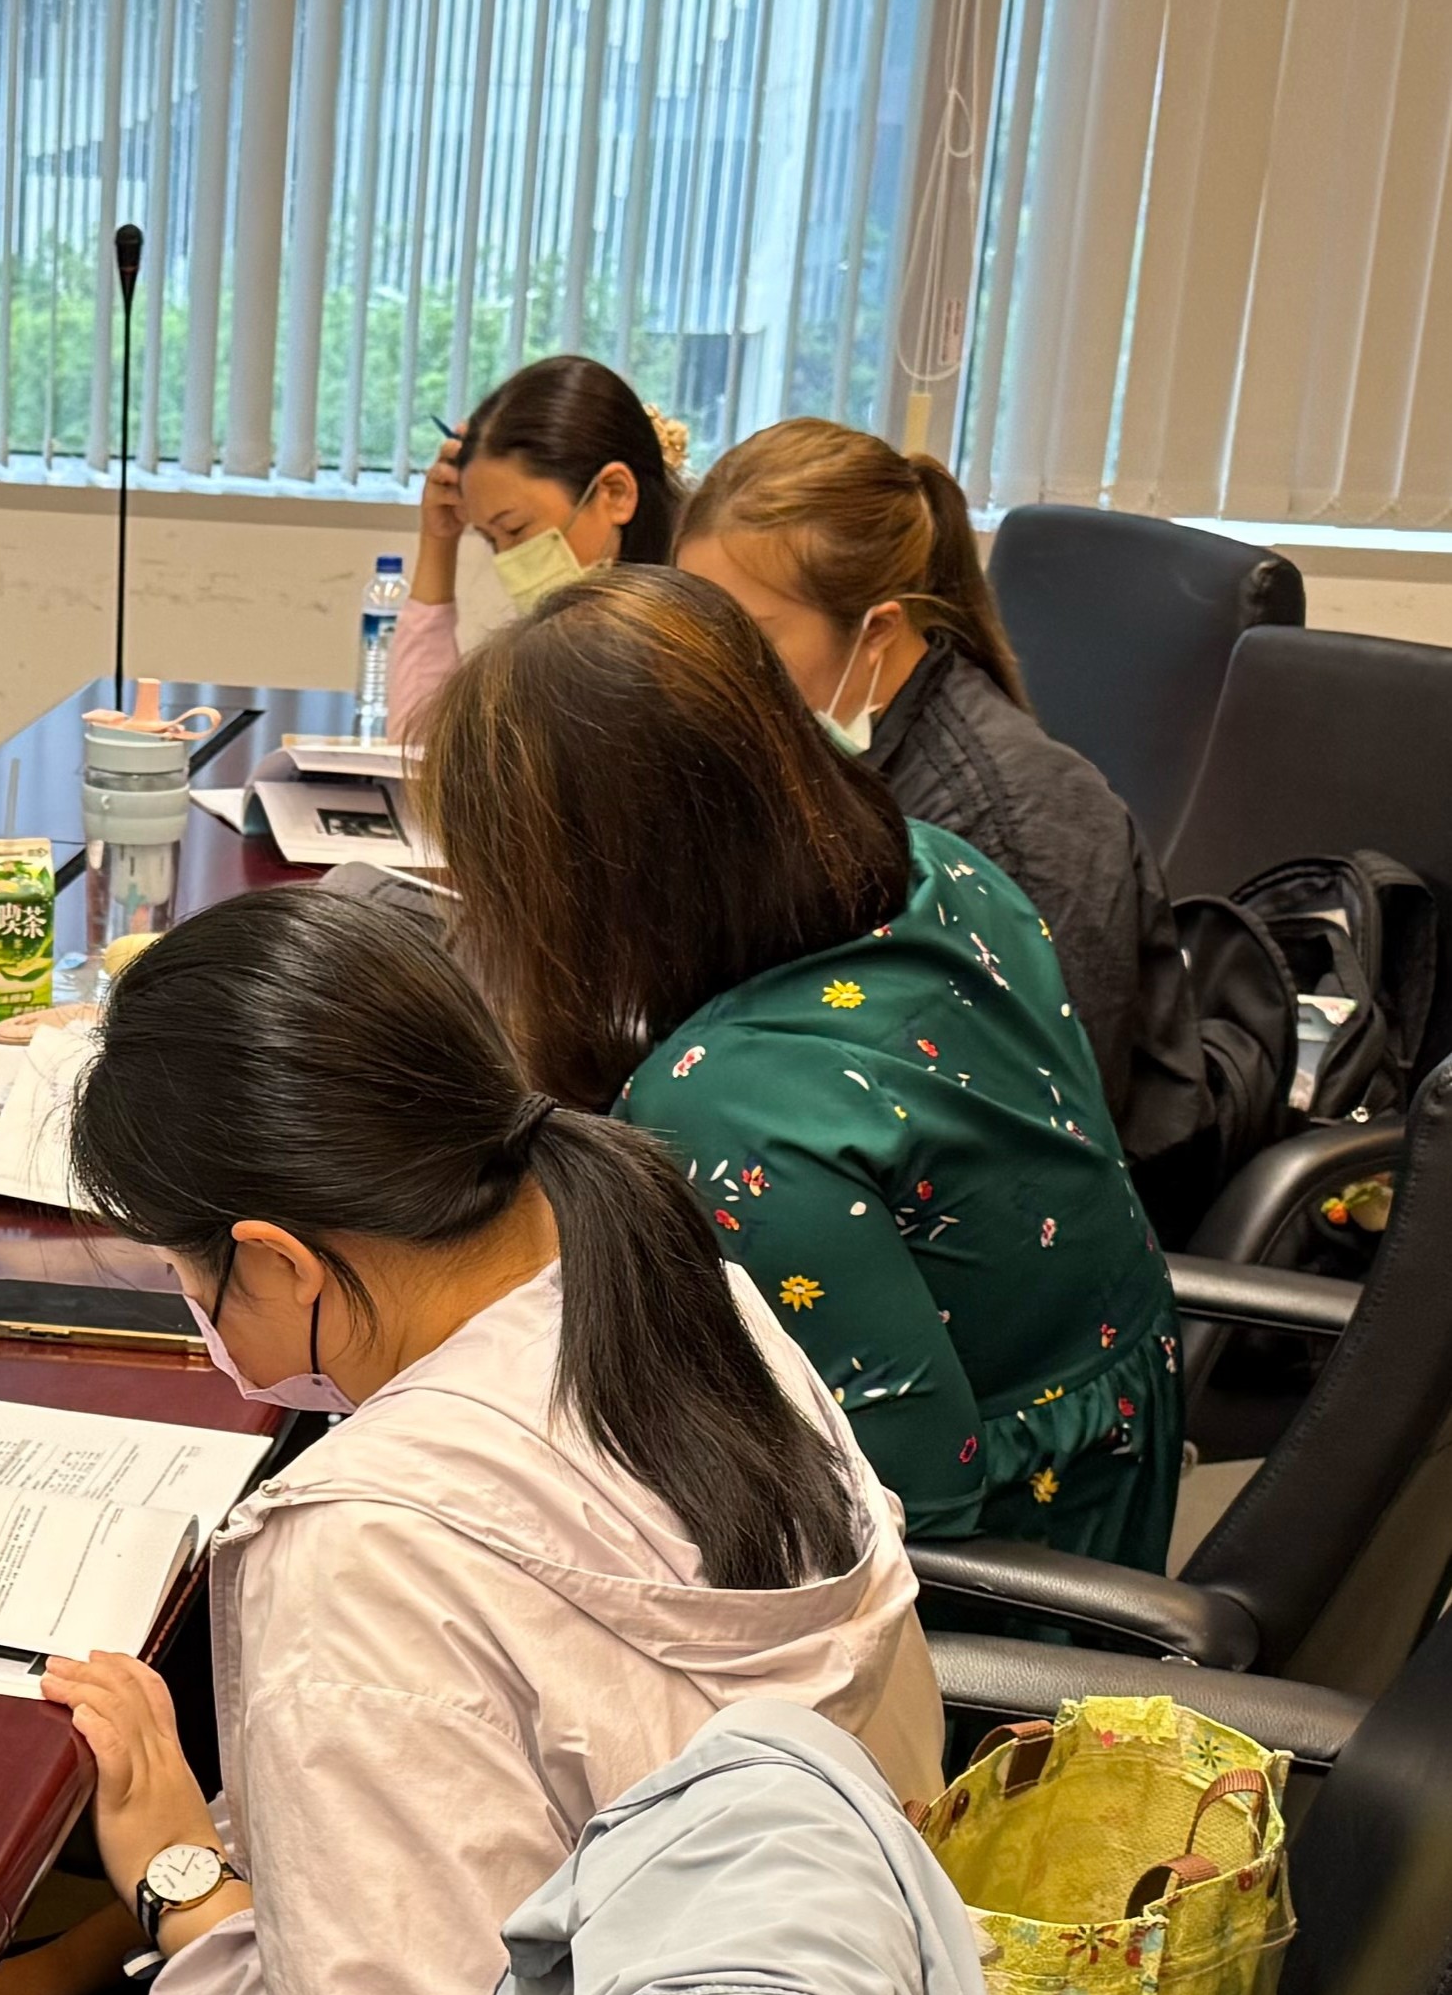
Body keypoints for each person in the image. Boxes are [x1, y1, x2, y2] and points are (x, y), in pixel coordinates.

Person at [29, 888, 940, 1995]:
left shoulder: (363, 1546)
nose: (195, 1311)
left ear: (275, 1259)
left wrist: (179, 1880)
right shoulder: (677, 1282)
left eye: (184, 1272)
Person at [426, 568, 1183, 1571]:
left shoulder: (727, 1106)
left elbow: (895, 1509)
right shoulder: (940, 865)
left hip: (996, 1558)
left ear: (602, 874)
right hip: (1114, 1437)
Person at [677, 416, 1209, 1180]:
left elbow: (1047, 1132)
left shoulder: (1015, 824)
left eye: (749, 641)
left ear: (876, 630)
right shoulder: (810, 747)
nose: (712, 673)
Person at [391, 354, 687, 730]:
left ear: (615, 493)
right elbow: (420, 746)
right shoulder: (562, 646)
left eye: (516, 529)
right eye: (490, 539)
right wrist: (438, 542)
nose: (508, 560)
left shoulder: (684, 650)